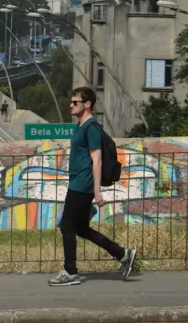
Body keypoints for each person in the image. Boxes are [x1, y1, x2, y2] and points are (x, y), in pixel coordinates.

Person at [48, 87, 136, 287]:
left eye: (75, 102)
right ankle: (123, 254)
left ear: (87, 104)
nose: (71, 105)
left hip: (83, 184)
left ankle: (70, 272)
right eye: (71, 102)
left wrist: (97, 191)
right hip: (77, 182)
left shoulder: (92, 128)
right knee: (80, 228)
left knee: (67, 226)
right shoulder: (80, 126)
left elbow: (97, 161)